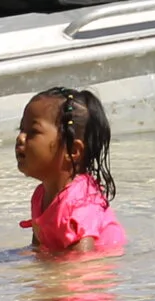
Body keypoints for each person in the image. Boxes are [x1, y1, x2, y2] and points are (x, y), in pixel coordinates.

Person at [15, 87, 125, 256]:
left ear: (72, 150)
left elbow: (82, 264)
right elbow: (39, 250)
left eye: (33, 132)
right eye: (21, 129)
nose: (20, 138)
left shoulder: (80, 204)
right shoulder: (40, 196)